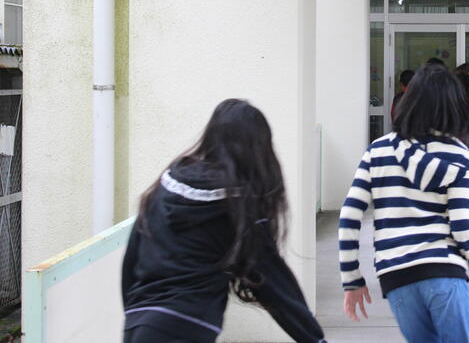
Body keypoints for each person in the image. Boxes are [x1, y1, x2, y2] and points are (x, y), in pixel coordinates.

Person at [121, 99, 326, 343]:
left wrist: (134, 318)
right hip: (185, 327)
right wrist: (315, 339)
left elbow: (131, 262)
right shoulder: (239, 206)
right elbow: (275, 284)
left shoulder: (162, 189)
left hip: (137, 323)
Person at [339, 64, 469, 343]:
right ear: (453, 104)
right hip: (444, 271)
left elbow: (349, 217)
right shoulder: (459, 155)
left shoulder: (378, 151)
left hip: (396, 275)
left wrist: (351, 278)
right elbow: (463, 227)